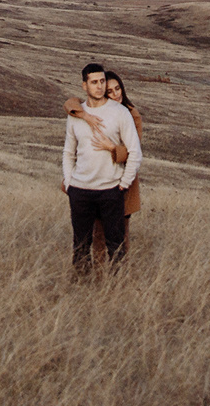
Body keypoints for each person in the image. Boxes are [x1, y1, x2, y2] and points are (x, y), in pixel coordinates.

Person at [60, 62, 140, 270]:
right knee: (80, 246)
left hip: (110, 190)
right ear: (84, 86)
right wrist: (70, 184)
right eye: (94, 82)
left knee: (116, 246)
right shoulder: (76, 115)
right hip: (80, 191)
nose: (100, 86)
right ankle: (81, 289)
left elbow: (134, 152)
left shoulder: (120, 113)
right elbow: (69, 152)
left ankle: (117, 291)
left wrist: (123, 183)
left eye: (102, 81)